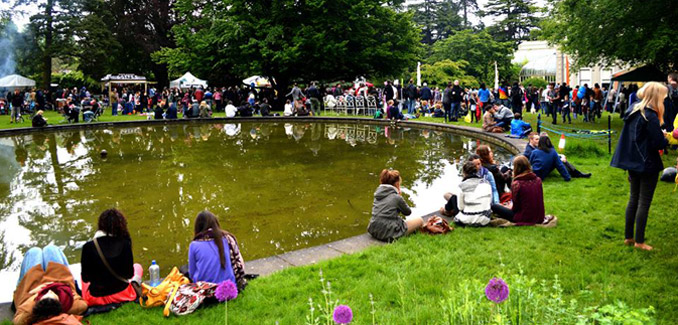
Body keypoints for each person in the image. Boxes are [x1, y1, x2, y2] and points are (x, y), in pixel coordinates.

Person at [610, 82, 669, 251]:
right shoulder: (649, 115)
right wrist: (664, 137)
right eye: (663, 97)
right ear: (657, 97)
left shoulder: (634, 109)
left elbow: (637, 137)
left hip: (632, 161)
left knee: (634, 198)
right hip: (646, 163)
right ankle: (639, 241)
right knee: (644, 202)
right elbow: (657, 142)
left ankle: (628, 237)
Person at [81, 209, 143, 306]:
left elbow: (85, 278)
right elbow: (129, 274)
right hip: (123, 295)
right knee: (138, 266)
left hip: (97, 298)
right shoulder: (125, 243)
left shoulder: (88, 247)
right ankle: (135, 283)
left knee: (81, 279)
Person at [13, 245, 88, 325]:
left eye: (45, 293)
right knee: (51, 249)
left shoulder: (29, 308)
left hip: (32, 284)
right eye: (52, 293)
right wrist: (54, 286)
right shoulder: (71, 305)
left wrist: (38, 293)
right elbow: (83, 305)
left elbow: (17, 321)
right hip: (58, 278)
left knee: (34, 251)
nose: (49, 290)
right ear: (59, 302)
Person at [189, 211, 247, 290]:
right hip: (229, 288)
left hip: (205, 291)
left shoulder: (194, 245)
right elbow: (239, 262)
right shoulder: (228, 238)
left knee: (185, 269)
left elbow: (192, 273)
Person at [490, 156, 551, 226]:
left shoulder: (517, 183)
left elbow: (515, 208)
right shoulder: (538, 180)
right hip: (539, 216)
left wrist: (508, 206)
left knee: (494, 206)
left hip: (523, 217)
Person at [368, 169, 423, 242]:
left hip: (374, 229)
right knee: (420, 220)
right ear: (397, 184)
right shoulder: (396, 197)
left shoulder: (377, 194)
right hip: (389, 232)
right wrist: (400, 196)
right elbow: (408, 212)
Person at [440, 161, 493, 227]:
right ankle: (447, 210)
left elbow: (460, 207)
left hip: (468, 220)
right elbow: (490, 201)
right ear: (477, 171)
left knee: (453, 197)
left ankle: (446, 211)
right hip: (485, 219)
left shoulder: (462, 185)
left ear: (464, 173)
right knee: (452, 197)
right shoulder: (486, 182)